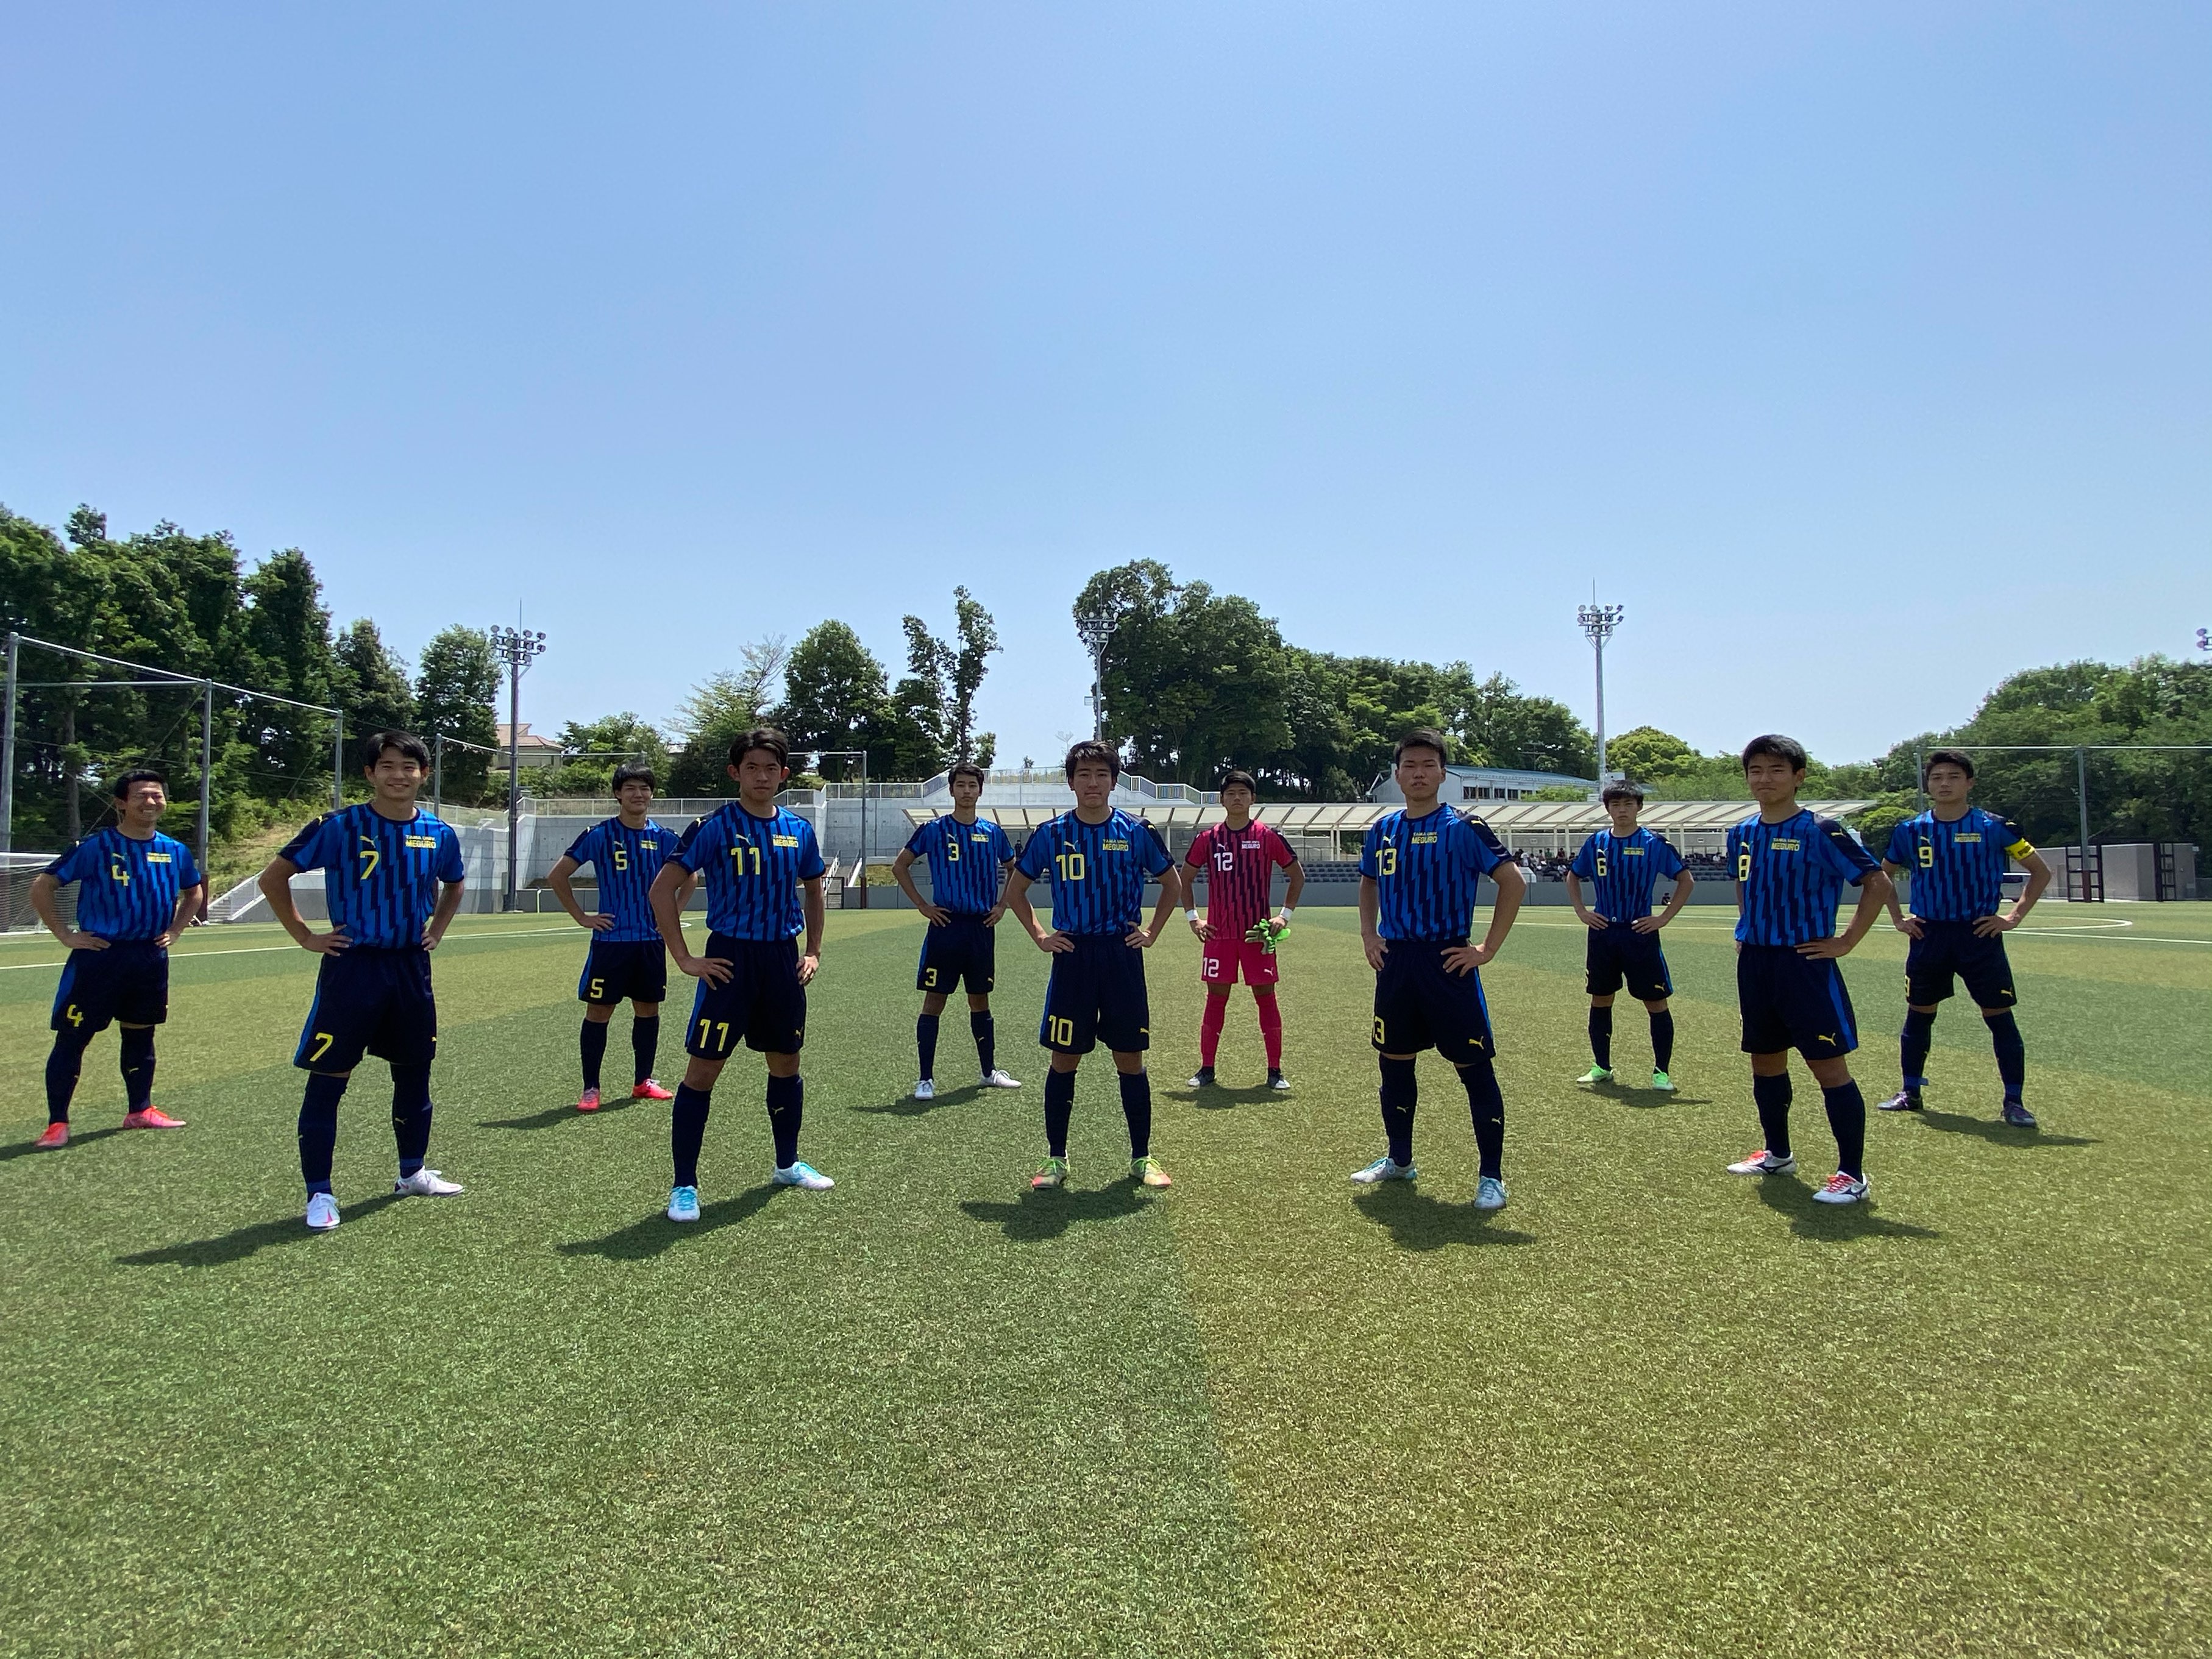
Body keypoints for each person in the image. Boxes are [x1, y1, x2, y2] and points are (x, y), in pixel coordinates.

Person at [259, 731, 468, 1231]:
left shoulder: (439, 833)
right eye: (387, 766)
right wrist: (305, 936)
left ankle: (412, 1173)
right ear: (370, 773)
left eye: (409, 766)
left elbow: (455, 882)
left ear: (424, 774)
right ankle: (320, 1193)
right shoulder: (339, 825)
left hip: (410, 968)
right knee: (329, 1078)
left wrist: (437, 929)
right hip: (352, 967)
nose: (399, 775)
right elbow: (273, 877)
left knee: (414, 1073)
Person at [648, 728, 833, 1221]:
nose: (762, 777)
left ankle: (787, 1164)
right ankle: (684, 1185)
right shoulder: (712, 826)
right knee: (702, 1071)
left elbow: (814, 890)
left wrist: (813, 951)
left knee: (786, 1063)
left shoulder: (798, 829)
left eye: (771, 768)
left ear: (784, 775)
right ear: (735, 772)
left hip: (782, 961)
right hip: (729, 961)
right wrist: (684, 958)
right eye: (752, 767)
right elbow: (661, 890)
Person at [1350, 730, 1528, 1210]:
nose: (1419, 773)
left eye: (1428, 765)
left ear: (1442, 774)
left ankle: (1491, 1177)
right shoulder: (1383, 830)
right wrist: (1369, 935)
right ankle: (1399, 1160)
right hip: (1396, 962)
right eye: (1410, 765)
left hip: (1448, 961)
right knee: (1394, 1063)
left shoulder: (1465, 827)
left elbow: (1512, 883)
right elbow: (1368, 882)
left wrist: (1486, 948)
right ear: (1397, 775)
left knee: (1474, 1069)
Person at [1001, 740, 1182, 1191]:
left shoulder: (1136, 831)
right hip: (1073, 956)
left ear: (1114, 781)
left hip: (1121, 955)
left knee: (1130, 1059)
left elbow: (1172, 885)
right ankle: (1055, 1158)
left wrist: (1152, 932)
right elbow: (1015, 892)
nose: (1093, 782)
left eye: (1102, 774)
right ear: (1071, 782)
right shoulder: (1051, 833)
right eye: (1083, 775)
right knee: (1064, 1059)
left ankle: (1142, 1157)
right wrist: (1041, 936)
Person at [1722, 734, 1895, 1206]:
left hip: (1805, 962)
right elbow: (1744, 884)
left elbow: (1876, 882)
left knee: (1827, 1067)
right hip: (1756, 962)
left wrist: (1846, 941)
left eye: (1776, 770)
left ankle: (1851, 1175)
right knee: (1764, 1060)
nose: (1764, 779)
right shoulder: (1741, 833)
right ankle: (1777, 1153)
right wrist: (1746, 926)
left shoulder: (1821, 830)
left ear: (1798, 777)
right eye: (1756, 770)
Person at [1876, 748, 2053, 1128]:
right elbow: (1882, 876)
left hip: (1979, 934)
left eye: (1953, 777)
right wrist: (1898, 918)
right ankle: (1910, 1091)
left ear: (1969, 783)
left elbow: (2040, 872)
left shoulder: (1995, 827)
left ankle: (2014, 1102)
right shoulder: (1910, 830)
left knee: (1999, 1016)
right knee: (1919, 1013)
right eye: (1937, 777)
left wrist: (2012, 918)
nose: (1944, 784)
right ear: (1928, 784)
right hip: (1928, 934)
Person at [30, 769, 205, 1148]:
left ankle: (139, 1110)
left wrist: (176, 930)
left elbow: (194, 892)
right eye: (141, 795)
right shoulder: (96, 846)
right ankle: (57, 1123)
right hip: (100, 956)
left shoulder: (175, 850)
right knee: (73, 1038)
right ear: (121, 803)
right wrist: (65, 934)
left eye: (157, 795)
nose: (151, 802)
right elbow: (43, 885)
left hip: (148, 957)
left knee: (141, 1034)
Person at [548, 764, 689, 1112]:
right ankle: (591, 1088)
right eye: (630, 788)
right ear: (617, 794)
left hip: (649, 943)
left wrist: (671, 916)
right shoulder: (599, 834)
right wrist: (582, 917)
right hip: (610, 944)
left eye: (644, 788)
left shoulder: (665, 838)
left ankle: (644, 1081)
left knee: (648, 1010)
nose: (638, 794)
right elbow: (558, 875)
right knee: (599, 1012)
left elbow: (690, 878)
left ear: (652, 794)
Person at [891, 759, 1023, 1099]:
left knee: (980, 999)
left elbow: (1014, 869)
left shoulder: (993, 833)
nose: (966, 791)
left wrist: (1002, 905)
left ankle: (988, 1072)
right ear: (951, 790)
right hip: (946, 925)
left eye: (972, 785)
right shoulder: (934, 830)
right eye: (960, 785)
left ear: (980, 791)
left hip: (981, 927)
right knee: (934, 1000)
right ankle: (925, 1079)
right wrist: (923, 906)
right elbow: (900, 866)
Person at [1566, 781, 1695, 1090]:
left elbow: (1685, 880)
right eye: (1615, 805)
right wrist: (1582, 911)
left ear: (1639, 807)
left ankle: (1661, 1073)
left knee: (1656, 1002)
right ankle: (1601, 1066)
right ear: (1607, 809)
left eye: (1628, 804)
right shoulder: (1596, 842)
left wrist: (1662, 918)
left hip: (1639, 933)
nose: (1622, 810)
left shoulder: (1654, 843)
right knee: (1601, 999)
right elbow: (1573, 875)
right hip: (1603, 933)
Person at [1183, 769, 1303, 1090]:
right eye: (1231, 794)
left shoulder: (1268, 836)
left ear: (1253, 799)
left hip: (1257, 936)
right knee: (1215, 999)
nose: (1237, 798)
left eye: (1243, 793)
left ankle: (1275, 1071)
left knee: (1266, 998)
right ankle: (1207, 1069)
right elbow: (1184, 879)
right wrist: (1194, 918)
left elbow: (1297, 876)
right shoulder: (1208, 839)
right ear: (1222, 800)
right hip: (1219, 935)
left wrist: (1284, 916)